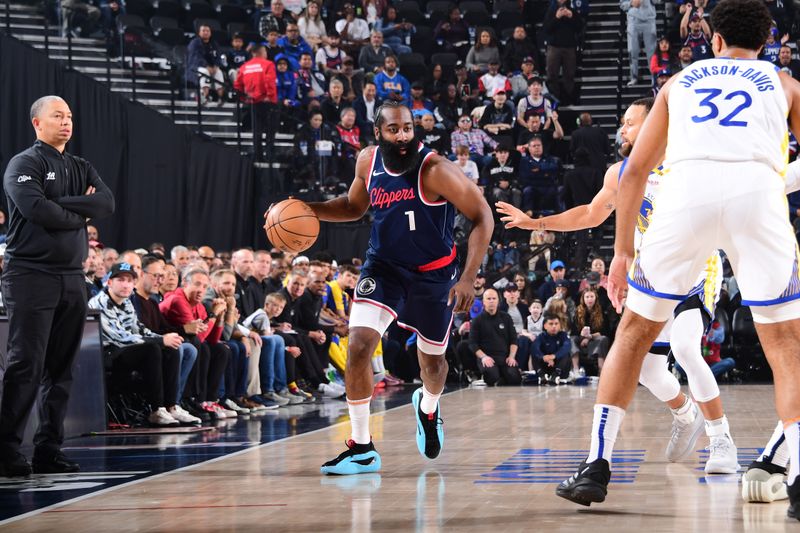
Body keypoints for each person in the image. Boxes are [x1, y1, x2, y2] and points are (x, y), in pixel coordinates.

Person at [539, 1, 799, 507]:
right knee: (787, 347)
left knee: (633, 336)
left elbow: (634, 172)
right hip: (757, 193)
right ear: (766, 42)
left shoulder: (680, 82)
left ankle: (596, 465)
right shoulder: (784, 82)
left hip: (686, 196)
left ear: (714, 40)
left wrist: (620, 253)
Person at [499, 97, 741, 479]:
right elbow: (590, 214)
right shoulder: (620, 173)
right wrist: (534, 222)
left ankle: (721, 438)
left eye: (630, 123)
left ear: (657, 124)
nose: (622, 130)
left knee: (684, 346)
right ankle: (684, 412)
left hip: (697, 267)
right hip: (654, 272)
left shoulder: (688, 164)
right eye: (624, 123)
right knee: (645, 369)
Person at [304, 101, 493, 474]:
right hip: (385, 267)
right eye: (394, 130)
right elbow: (352, 207)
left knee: (434, 364)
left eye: (408, 128)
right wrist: (306, 208)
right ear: (379, 132)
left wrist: (468, 277)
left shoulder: (436, 169)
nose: (403, 136)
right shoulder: (367, 162)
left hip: (434, 275)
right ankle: (361, 447)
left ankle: (428, 406)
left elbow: (482, 215)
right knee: (358, 345)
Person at [0, 96, 114, 476]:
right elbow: (36, 210)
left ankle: (49, 448)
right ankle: (7, 450)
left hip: (71, 277)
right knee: (25, 365)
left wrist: (61, 204)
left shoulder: (80, 165)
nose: (66, 122)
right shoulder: (25, 162)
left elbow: (107, 205)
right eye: (57, 116)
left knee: (61, 369)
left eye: (69, 116)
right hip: (30, 275)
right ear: (37, 123)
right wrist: (79, 209)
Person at [89, 263, 198, 426]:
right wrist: (160, 340)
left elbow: (139, 330)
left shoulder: (126, 303)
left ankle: (171, 406)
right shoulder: (100, 302)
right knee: (152, 349)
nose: (126, 284)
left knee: (171, 349)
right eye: (120, 280)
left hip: (123, 351)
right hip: (105, 355)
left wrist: (165, 338)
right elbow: (120, 337)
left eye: (129, 280)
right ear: (109, 282)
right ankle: (156, 409)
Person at [467, 288, 521, 386]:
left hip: (504, 357)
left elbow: (514, 339)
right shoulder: (477, 320)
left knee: (515, 378)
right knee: (492, 377)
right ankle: (494, 376)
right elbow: (472, 344)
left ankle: (503, 376)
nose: (491, 301)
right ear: (483, 302)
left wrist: (511, 357)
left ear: (498, 301)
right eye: (488, 299)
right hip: (487, 357)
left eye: (494, 298)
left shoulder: (506, 317)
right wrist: (483, 357)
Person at [233, 45, 278, 163]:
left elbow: (237, 85)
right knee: (270, 131)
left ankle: (258, 156)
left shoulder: (244, 67)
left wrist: (244, 98)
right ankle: (269, 157)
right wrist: (270, 96)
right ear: (262, 52)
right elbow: (269, 81)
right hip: (266, 102)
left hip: (252, 102)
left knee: (256, 131)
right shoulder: (268, 64)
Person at [621, 0, 657, 86]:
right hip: (633, 21)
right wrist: (630, 3)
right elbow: (622, 4)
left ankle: (654, 77)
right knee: (632, 50)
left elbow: (657, 1)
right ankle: (634, 77)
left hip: (649, 20)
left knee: (651, 52)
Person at [187, 25, 225, 105]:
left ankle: (220, 98)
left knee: (219, 72)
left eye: (207, 31)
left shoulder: (214, 44)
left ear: (210, 33)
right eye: (203, 31)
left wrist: (216, 65)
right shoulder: (194, 43)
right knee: (204, 72)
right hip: (196, 67)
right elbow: (195, 57)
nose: (205, 32)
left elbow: (218, 56)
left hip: (211, 67)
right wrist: (206, 66)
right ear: (199, 32)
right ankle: (205, 96)